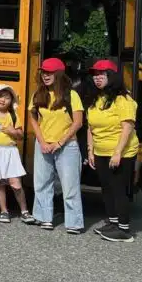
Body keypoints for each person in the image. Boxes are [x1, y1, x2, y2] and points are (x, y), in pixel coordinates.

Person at [83, 59, 139, 242]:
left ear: (112, 76)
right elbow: (90, 127)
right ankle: (112, 222)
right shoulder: (97, 99)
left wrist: (117, 153)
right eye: (95, 75)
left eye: (102, 74)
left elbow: (127, 127)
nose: (97, 78)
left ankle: (124, 229)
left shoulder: (123, 99)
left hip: (121, 152)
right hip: (100, 151)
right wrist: (91, 151)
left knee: (118, 189)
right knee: (106, 188)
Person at [29, 57, 85, 233]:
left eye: (50, 72)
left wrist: (60, 142)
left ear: (59, 74)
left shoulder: (72, 95)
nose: (46, 75)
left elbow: (78, 122)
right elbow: (33, 118)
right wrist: (42, 141)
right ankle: (44, 218)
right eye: (44, 72)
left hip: (67, 146)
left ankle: (74, 223)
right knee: (42, 183)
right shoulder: (38, 94)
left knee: (70, 186)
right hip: (44, 145)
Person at [0, 84, 34, 224]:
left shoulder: (13, 115)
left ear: (11, 101)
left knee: (15, 182)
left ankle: (24, 211)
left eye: (7, 98)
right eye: (0, 97)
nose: (3, 100)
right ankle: (4, 211)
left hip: (10, 151)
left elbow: (20, 135)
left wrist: (13, 132)